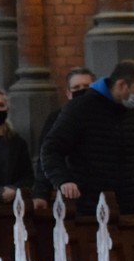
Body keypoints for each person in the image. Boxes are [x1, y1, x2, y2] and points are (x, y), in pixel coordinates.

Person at [41, 59, 134, 215]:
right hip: (89, 206)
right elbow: (51, 149)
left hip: (130, 204)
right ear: (122, 84)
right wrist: (63, 180)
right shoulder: (81, 108)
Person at [32, 67, 95, 210]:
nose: (82, 90)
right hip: (69, 191)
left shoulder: (105, 117)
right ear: (68, 93)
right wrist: (41, 193)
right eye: (76, 87)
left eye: (87, 87)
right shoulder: (56, 119)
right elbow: (46, 155)